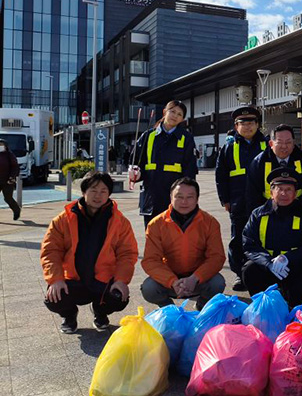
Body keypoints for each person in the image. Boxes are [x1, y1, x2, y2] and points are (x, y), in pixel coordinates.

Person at [40, 172, 137, 333]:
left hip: (103, 281)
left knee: (119, 298)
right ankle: (69, 315)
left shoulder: (120, 222)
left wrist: (121, 280)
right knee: (53, 298)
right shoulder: (63, 219)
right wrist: (55, 279)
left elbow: (127, 254)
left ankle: (100, 312)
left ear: (109, 194)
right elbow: (51, 251)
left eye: (103, 191)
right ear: (84, 191)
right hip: (72, 279)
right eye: (93, 190)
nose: (98, 195)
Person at [141, 178, 226, 310]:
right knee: (149, 288)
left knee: (217, 283)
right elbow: (150, 260)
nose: (184, 202)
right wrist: (172, 281)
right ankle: (170, 311)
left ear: (197, 198)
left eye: (189, 197)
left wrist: (195, 278)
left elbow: (216, 257)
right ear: (171, 197)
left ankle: (202, 307)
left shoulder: (210, 222)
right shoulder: (156, 224)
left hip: (198, 278)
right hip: (170, 278)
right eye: (179, 197)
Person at [241, 169, 302, 306]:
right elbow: (249, 244)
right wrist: (268, 263)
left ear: (295, 194)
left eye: (289, 189)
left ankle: (295, 306)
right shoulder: (258, 215)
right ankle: (263, 306)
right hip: (267, 267)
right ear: (271, 193)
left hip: (293, 266)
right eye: (279, 189)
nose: (284, 194)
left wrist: (288, 258)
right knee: (249, 270)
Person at [215, 106, 268, 291]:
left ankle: (263, 271)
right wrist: (225, 200)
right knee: (238, 239)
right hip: (238, 201)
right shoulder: (228, 147)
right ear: (236, 126)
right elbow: (221, 175)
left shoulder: (267, 144)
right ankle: (240, 274)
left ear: (257, 125)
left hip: (263, 202)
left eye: (251, 122)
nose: (247, 126)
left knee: (262, 238)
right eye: (242, 123)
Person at [129, 100, 198, 229]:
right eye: (172, 111)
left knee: (174, 239)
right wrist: (135, 173)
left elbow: (190, 169)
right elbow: (136, 161)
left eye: (179, 114)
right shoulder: (148, 136)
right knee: (152, 237)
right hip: (151, 197)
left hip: (175, 198)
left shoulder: (186, 138)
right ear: (165, 112)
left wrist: (189, 196)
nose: (175, 116)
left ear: (182, 119)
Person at [245, 124, 302, 215]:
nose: (284, 146)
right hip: (268, 210)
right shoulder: (259, 162)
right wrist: (259, 214)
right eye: (279, 142)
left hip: (299, 210)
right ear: (271, 144)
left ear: (293, 143)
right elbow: (252, 193)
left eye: (288, 142)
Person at [0, 138, 21, 221]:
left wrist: (12, 177)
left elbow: (15, 167)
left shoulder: (9, 155)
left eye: (1, 145)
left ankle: (16, 210)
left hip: (7, 181)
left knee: (8, 198)